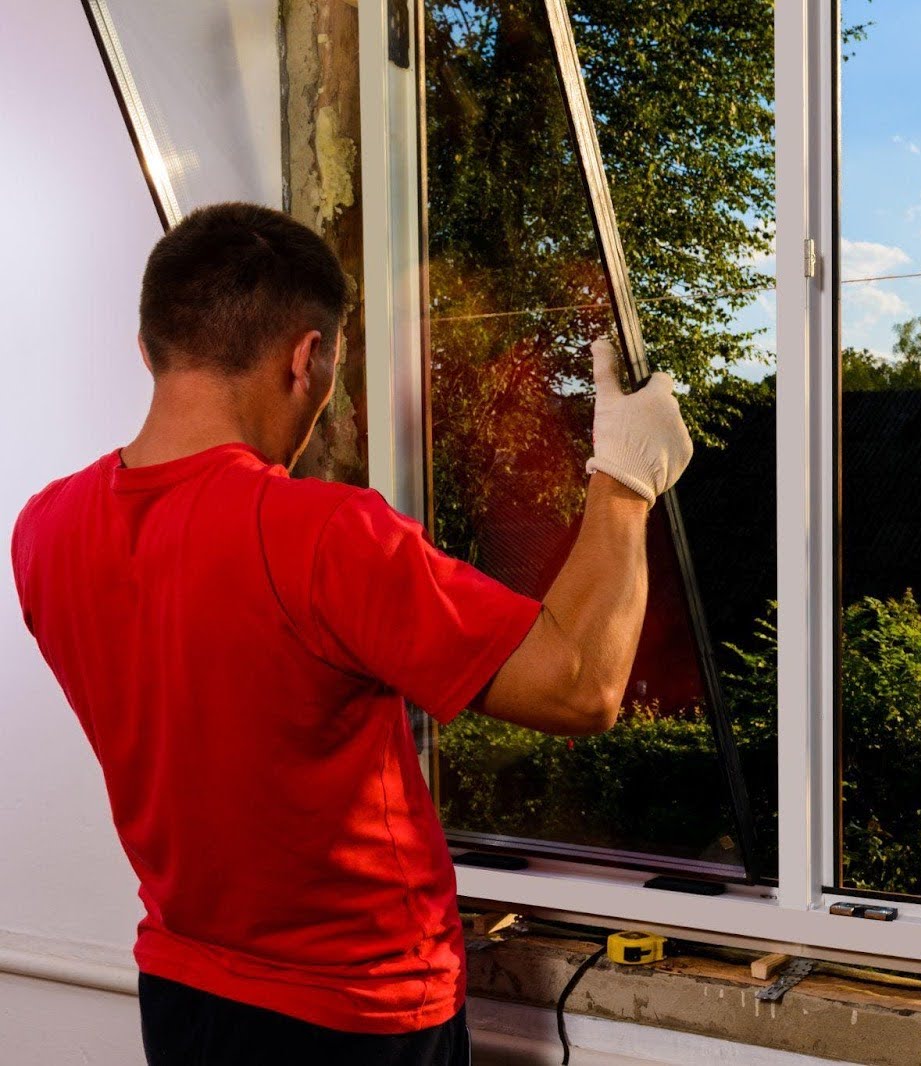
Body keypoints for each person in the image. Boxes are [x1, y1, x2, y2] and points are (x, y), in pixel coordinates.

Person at [9, 202, 693, 1064]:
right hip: (353, 1017)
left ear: (149, 348)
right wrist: (625, 479)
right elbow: (581, 684)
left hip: (183, 998)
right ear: (309, 358)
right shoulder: (321, 535)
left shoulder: (43, 531)